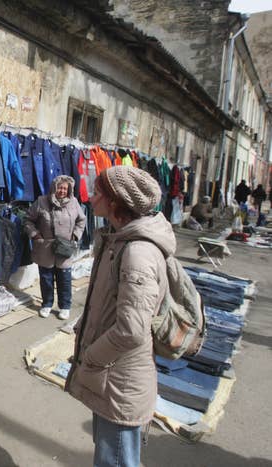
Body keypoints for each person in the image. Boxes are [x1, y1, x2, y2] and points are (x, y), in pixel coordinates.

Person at [65, 165, 174, 467]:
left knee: (115, 460)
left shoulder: (137, 253)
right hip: (111, 376)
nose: (91, 197)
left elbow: (131, 329)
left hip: (119, 381)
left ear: (115, 201)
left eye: (98, 191)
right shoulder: (117, 240)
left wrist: (92, 357)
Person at [24, 175, 85, 320]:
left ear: (69, 190)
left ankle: (65, 306)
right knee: (46, 278)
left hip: (65, 248)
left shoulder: (74, 202)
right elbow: (28, 220)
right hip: (45, 248)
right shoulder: (41, 201)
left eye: (65, 188)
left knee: (65, 278)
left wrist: (75, 236)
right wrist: (36, 235)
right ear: (54, 188)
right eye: (60, 187)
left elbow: (81, 220)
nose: (62, 191)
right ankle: (47, 304)